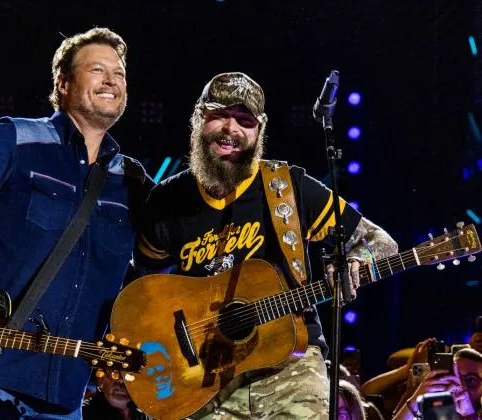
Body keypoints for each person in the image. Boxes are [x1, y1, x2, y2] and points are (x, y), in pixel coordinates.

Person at [0, 27, 151, 419]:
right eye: (97, 69)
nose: (112, 80)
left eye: (120, 74)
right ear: (63, 83)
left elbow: (153, 273)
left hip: (65, 400)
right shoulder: (13, 139)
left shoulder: (133, 181)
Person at [134, 72, 399, 418]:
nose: (231, 129)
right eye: (219, 115)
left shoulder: (288, 188)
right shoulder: (167, 200)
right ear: (198, 118)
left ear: (259, 130)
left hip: (292, 361)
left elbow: (381, 242)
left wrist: (358, 260)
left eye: (244, 120)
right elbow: (141, 289)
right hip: (202, 372)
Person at [82, 373, 150, 420]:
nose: (121, 380)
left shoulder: (151, 412)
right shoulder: (80, 413)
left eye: (130, 374)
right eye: (115, 373)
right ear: (100, 380)